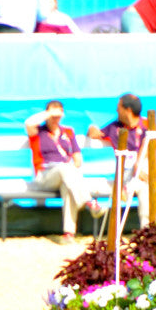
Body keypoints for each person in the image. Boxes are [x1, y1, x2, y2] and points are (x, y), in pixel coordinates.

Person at [25, 100, 104, 242]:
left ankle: (69, 233)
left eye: (58, 113)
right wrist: (49, 113)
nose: (56, 117)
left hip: (66, 174)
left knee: (68, 186)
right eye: (53, 114)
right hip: (44, 175)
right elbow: (29, 123)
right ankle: (89, 202)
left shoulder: (68, 132)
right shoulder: (39, 132)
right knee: (64, 168)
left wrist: (75, 163)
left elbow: (77, 157)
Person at [87, 94, 150, 228]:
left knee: (144, 183)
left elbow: (150, 144)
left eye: (118, 108)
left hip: (145, 172)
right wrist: (92, 127)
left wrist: (138, 164)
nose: (116, 111)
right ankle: (147, 231)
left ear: (127, 110)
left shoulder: (147, 125)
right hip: (127, 175)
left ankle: (147, 230)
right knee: (143, 186)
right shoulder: (115, 127)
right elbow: (94, 134)